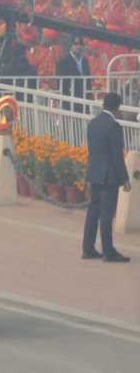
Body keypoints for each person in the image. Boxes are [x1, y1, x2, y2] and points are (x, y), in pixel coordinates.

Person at [82, 93, 131, 262]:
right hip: (109, 176)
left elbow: (92, 151)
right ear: (117, 107)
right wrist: (124, 178)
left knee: (93, 212)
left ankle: (88, 249)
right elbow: (116, 155)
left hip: (95, 173)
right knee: (106, 215)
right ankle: (108, 251)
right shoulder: (114, 126)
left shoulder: (93, 123)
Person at [56, 38, 91, 112]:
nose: (79, 46)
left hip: (85, 102)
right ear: (70, 45)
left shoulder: (85, 61)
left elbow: (88, 82)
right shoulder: (63, 61)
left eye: (81, 44)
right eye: (76, 44)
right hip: (70, 103)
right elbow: (61, 84)